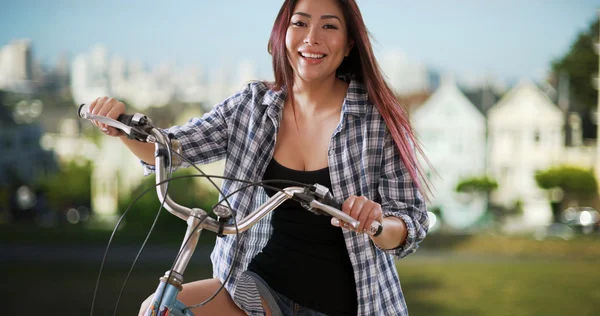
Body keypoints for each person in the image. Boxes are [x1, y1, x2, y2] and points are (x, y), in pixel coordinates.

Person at [89, 0, 429, 315]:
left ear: (349, 44)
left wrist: (377, 223)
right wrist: (123, 129)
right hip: (260, 289)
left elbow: (411, 222)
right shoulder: (251, 107)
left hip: (354, 301)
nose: (312, 38)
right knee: (160, 308)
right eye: (300, 23)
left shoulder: (376, 120)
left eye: (329, 27)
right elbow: (172, 148)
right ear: (282, 34)